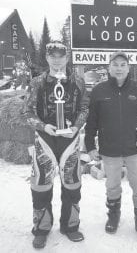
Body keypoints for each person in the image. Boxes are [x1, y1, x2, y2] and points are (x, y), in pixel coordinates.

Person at [84, 51, 137, 246]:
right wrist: (89, 145)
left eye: (123, 64)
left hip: (135, 147)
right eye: (115, 64)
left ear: (129, 67)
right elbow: (92, 121)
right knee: (112, 186)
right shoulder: (99, 90)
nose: (119, 68)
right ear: (109, 67)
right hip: (109, 148)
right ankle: (113, 216)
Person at [23, 42, 89, 249]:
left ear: (67, 58)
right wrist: (43, 126)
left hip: (70, 139)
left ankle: (71, 225)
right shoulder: (37, 83)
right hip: (46, 139)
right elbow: (27, 112)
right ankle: (42, 228)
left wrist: (77, 127)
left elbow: (85, 108)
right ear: (47, 58)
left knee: (72, 182)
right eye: (53, 56)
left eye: (61, 56)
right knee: (41, 184)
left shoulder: (77, 81)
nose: (58, 59)